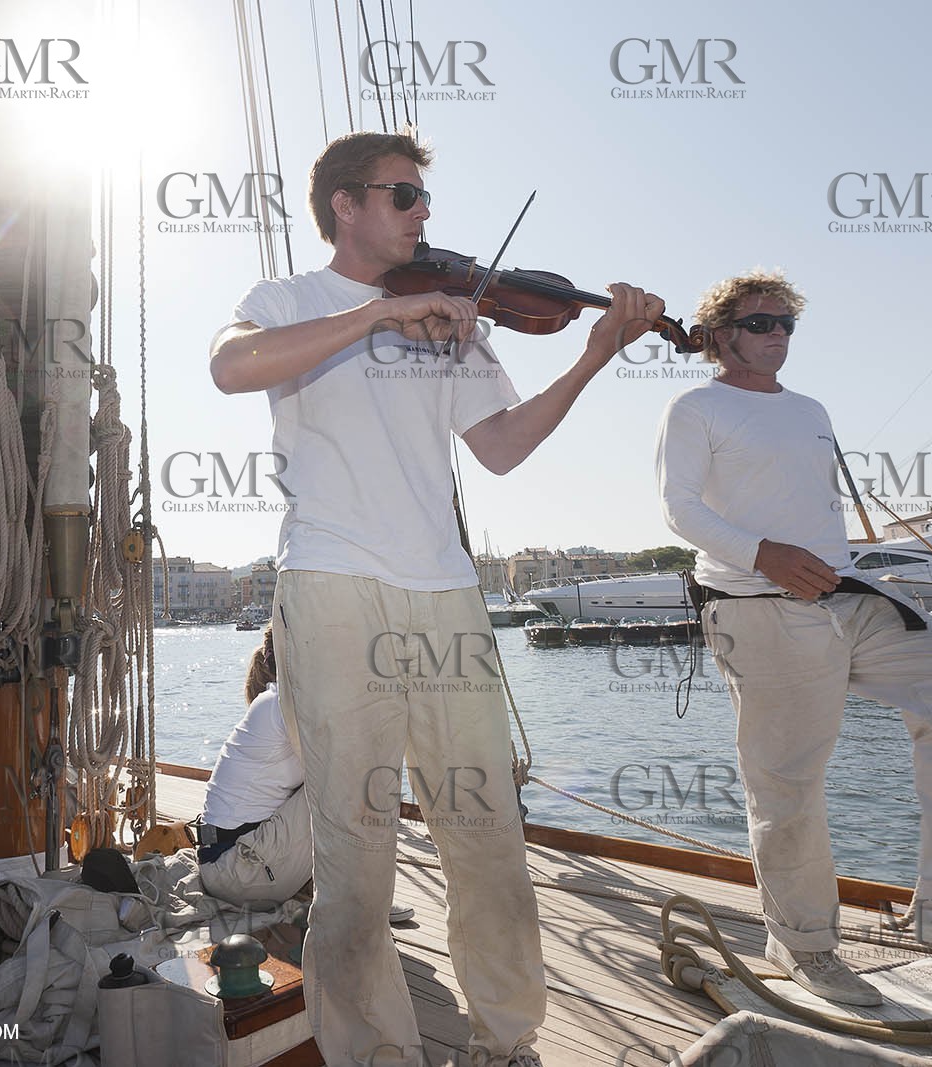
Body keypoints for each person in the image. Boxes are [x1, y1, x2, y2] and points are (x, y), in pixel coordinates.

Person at [209, 129, 662, 1067]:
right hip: (333, 583)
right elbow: (231, 366)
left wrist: (594, 355)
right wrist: (376, 317)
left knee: (487, 831)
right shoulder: (289, 300)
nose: (424, 214)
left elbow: (500, 445)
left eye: (424, 198)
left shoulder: (455, 318)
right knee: (354, 844)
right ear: (345, 203)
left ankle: (506, 1040)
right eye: (404, 195)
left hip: (447, 593)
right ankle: (374, 1050)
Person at [655, 269, 932, 1006]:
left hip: (846, 597)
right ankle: (804, 946)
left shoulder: (809, 408)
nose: (777, 334)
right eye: (759, 323)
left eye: (786, 323)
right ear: (718, 335)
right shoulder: (696, 406)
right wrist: (762, 553)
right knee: (787, 783)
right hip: (757, 604)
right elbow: (678, 507)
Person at [198, 628, 414, 925]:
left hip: (228, 867)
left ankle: (337, 891)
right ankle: (363, 900)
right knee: (350, 780)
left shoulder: (272, 702)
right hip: (240, 872)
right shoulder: (282, 706)